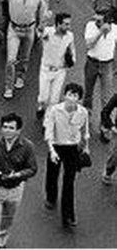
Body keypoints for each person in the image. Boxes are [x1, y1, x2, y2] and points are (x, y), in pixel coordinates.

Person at [0, 113, 37, 248]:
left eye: (11, 128)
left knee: (7, 219)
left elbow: (32, 169)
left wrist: (18, 175)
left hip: (14, 190)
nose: (7, 130)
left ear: (18, 130)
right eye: (4, 127)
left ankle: (2, 240)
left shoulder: (27, 147)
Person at [43, 83, 89, 228]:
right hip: (56, 147)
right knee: (52, 174)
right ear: (64, 95)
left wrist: (86, 148)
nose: (72, 98)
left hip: (72, 149)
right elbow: (49, 131)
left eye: (75, 95)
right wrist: (52, 150)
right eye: (70, 94)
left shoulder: (83, 113)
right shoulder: (55, 110)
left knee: (69, 182)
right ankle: (51, 197)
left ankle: (68, 216)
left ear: (79, 98)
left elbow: (85, 132)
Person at [0, 0, 47, 100]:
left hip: (30, 29)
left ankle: (20, 76)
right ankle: (9, 86)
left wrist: (42, 24)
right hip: (14, 29)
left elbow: (43, 8)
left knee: (25, 57)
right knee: (11, 60)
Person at [37, 13, 75, 118]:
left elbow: (72, 50)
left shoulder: (70, 36)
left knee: (54, 100)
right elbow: (39, 33)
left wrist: (71, 60)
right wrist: (43, 20)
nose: (69, 27)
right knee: (43, 98)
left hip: (60, 71)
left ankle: (47, 121)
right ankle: (41, 106)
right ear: (58, 24)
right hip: (46, 69)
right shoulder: (48, 32)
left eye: (69, 24)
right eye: (66, 24)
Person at [83, 8, 117, 113]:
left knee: (106, 95)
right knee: (88, 92)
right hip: (92, 63)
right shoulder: (90, 26)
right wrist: (100, 32)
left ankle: (105, 120)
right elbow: (88, 45)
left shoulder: (115, 29)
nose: (96, 21)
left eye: (99, 20)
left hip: (107, 65)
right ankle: (86, 114)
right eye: (95, 18)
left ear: (108, 21)